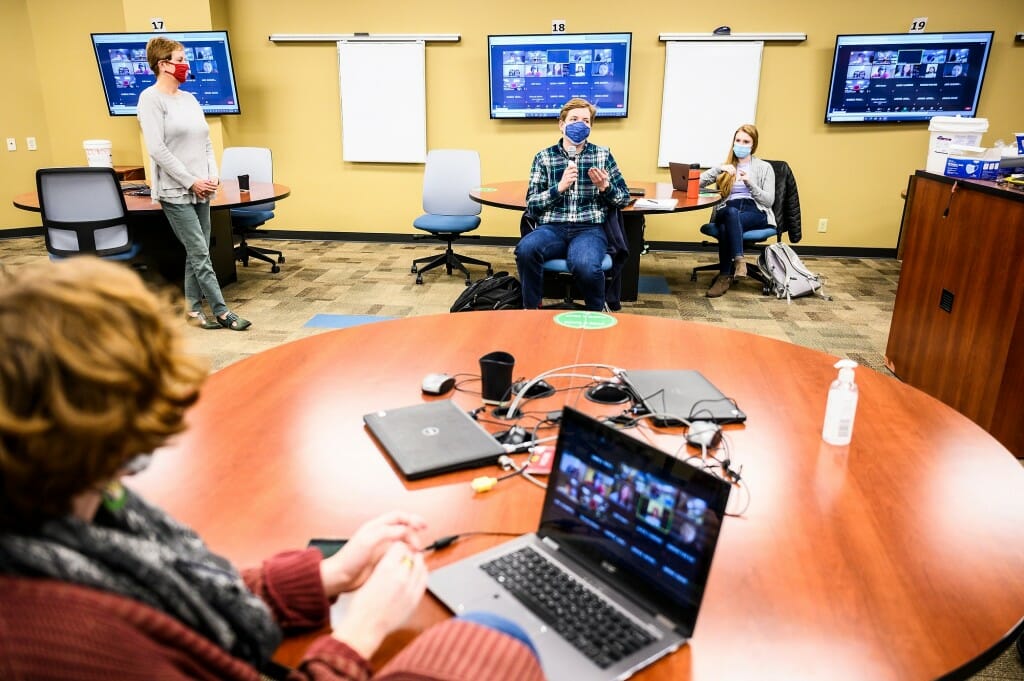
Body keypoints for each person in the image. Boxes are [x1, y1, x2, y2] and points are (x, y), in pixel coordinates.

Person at [0, 257, 545, 681]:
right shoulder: (62, 641)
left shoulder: (71, 513)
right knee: (494, 639)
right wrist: (358, 636)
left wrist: (325, 575)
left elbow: (180, 594)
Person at [137, 36, 251, 331]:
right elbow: (157, 149)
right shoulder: (150, 99)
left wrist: (213, 175)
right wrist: (191, 182)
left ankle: (190, 309)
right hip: (176, 191)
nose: (185, 65)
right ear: (163, 65)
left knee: (196, 250)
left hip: (203, 186)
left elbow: (206, 142)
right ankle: (222, 311)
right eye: (180, 59)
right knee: (200, 252)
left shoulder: (189, 99)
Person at [515, 97, 630, 311]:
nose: (580, 124)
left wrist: (606, 187)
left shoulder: (602, 155)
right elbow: (532, 204)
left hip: (589, 229)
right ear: (562, 124)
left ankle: (597, 313)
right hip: (552, 228)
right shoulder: (544, 157)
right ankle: (530, 310)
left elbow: (623, 198)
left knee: (586, 265)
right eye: (574, 119)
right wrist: (558, 188)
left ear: (591, 127)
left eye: (586, 121)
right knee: (526, 250)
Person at [698, 124, 776, 298]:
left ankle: (724, 276)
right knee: (731, 214)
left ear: (753, 145)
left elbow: (769, 201)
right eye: (738, 140)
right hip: (728, 209)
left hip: (754, 210)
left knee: (727, 226)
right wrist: (718, 169)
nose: (741, 144)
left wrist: (750, 183)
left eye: (746, 141)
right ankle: (740, 261)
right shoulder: (726, 167)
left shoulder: (764, 168)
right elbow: (695, 184)